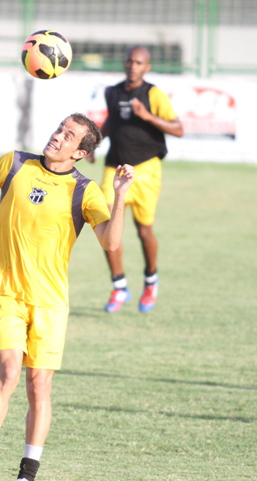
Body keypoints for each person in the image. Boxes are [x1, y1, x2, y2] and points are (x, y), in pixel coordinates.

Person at [0, 114, 133, 481]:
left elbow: (110, 242)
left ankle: (27, 475)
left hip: (50, 303)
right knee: (8, 372)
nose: (58, 136)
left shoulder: (85, 190)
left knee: (38, 385)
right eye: (59, 128)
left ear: (80, 153)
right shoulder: (14, 164)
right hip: (6, 293)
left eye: (69, 136)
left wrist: (121, 195)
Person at [93, 46, 183, 313]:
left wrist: (146, 116)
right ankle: (119, 286)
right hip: (115, 168)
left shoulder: (153, 95)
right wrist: (95, 143)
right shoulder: (113, 92)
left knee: (144, 231)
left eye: (139, 62)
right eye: (130, 61)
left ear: (147, 67)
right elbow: (111, 121)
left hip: (146, 169)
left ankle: (150, 281)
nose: (133, 66)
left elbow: (178, 129)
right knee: (107, 227)